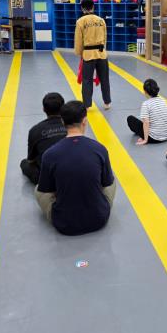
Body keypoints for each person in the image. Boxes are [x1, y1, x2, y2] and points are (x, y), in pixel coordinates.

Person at [35, 100, 116, 235]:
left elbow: (47, 189)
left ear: (62, 122)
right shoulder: (99, 149)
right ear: (85, 121)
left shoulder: (50, 154)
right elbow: (106, 182)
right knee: (111, 179)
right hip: (98, 219)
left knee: (38, 189)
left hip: (64, 223)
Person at [20, 92, 67, 184]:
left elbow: (31, 160)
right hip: (71, 173)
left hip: (48, 179)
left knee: (24, 163)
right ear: (63, 108)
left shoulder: (35, 130)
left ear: (44, 109)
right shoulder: (72, 126)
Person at [75, 0, 111, 109]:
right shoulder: (101, 20)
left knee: (87, 80)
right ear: (93, 7)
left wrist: (79, 53)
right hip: (101, 53)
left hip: (88, 55)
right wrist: (103, 49)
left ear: (82, 8)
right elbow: (105, 37)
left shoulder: (80, 21)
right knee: (104, 79)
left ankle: (87, 105)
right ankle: (107, 103)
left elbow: (78, 40)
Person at [127, 78, 167, 145]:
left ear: (145, 91)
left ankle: (145, 136)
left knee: (130, 119)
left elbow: (146, 122)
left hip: (153, 138)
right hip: (166, 136)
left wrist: (145, 140)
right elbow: (165, 116)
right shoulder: (163, 100)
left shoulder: (146, 104)